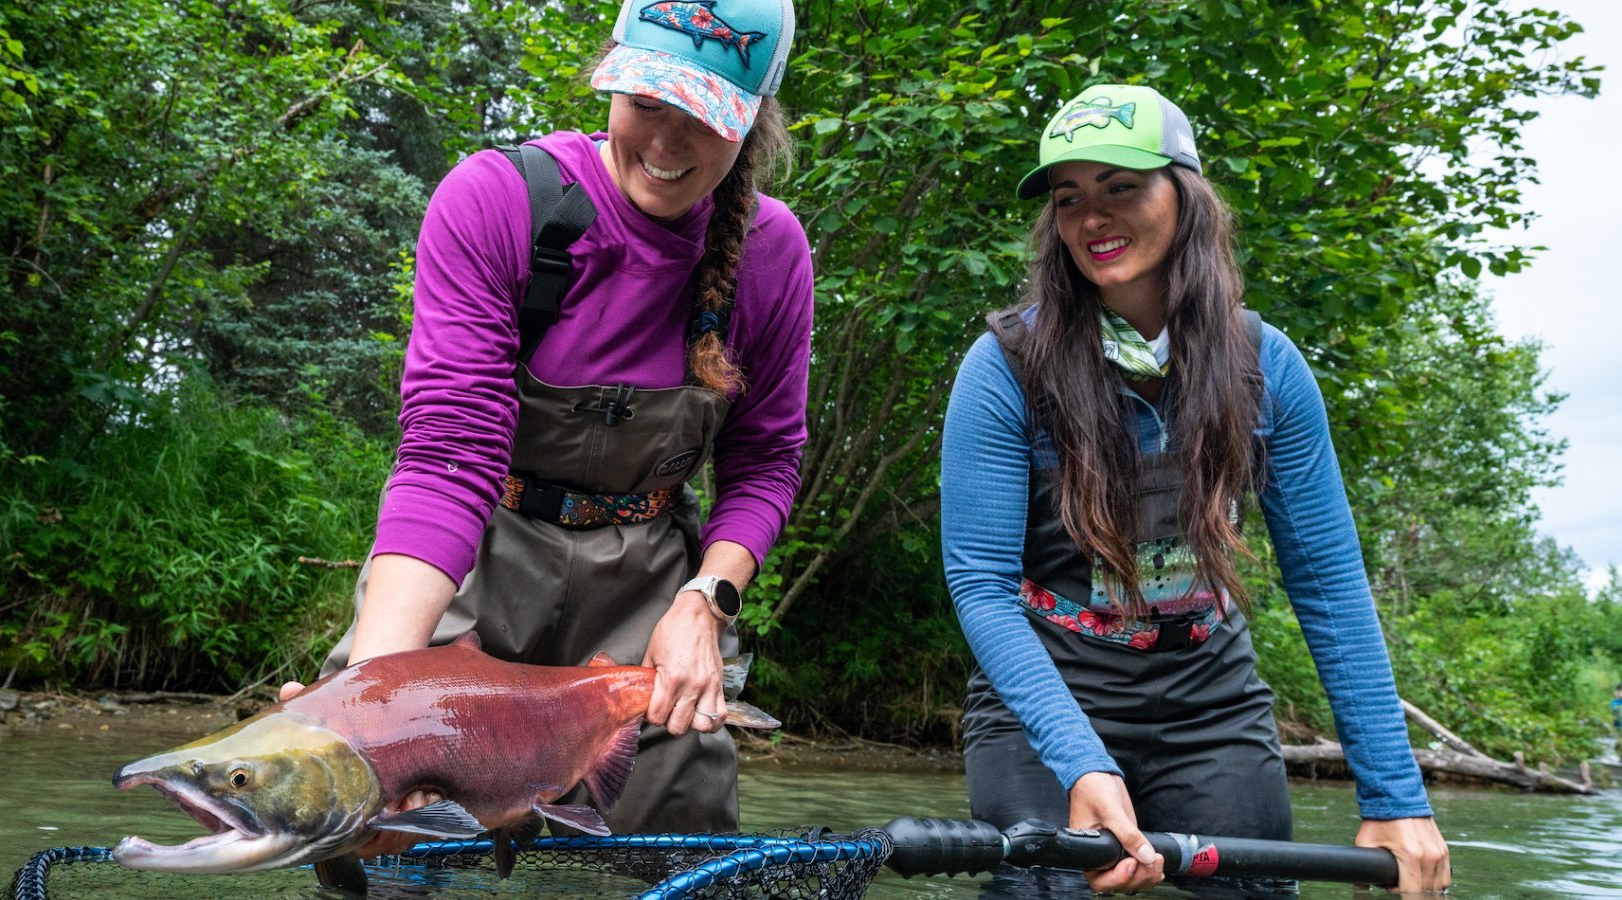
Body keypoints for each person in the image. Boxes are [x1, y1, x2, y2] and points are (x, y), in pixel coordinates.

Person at [288, 0, 811, 850]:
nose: (666, 144)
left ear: (752, 123)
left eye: (703, 119)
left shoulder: (772, 254)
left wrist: (705, 603)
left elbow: (765, 462)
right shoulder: (501, 201)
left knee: (674, 840)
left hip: (650, 588)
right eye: (645, 103)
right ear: (610, 83)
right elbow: (448, 453)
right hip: (477, 559)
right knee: (372, 822)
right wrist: (377, 695)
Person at [939, 84, 1452, 895]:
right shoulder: (1002, 367)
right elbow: (981, 585)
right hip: (1046, 692)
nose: (1092, 217)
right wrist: (1081, 763)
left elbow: (1328, 583)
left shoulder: (1267, 367)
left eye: (1121, 186)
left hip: (1210, 702)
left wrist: (1397, 797)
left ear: (1186, 194)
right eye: (1069, 198)